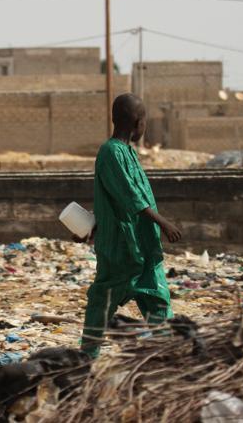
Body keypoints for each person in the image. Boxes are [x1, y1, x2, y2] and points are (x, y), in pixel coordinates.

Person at [78, 93, 182, 358]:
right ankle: (87, 359)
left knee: (157, 300)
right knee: (103, 301)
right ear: (137, 122)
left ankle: (167, 355)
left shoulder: (128, 152)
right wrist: (163, 222)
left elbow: (120, 197)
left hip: (143, 245)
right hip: (121, 248)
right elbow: (128, 195)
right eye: (144, 120)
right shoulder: (110, 152)